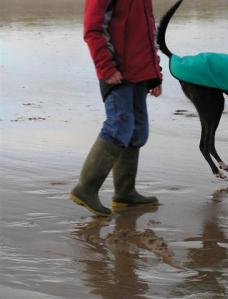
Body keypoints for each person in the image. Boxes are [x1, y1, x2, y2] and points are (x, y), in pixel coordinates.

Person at [69, 0, 163, 216]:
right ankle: (86, 189)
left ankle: (125, 194)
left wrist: (155, 74)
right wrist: (106, 67)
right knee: (119, 125)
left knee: (138, 131)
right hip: (116, 72)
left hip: (140, 73)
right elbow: (93, 29)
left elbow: (149, 33)